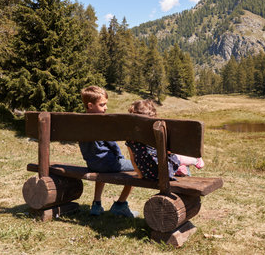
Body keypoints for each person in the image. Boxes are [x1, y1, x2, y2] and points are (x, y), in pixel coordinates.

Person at [79, 86, 138, 218]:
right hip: (110, 164)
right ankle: (120, 205)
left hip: (92, 164)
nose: (105, 108)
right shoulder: (102, 122)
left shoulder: (80, 122)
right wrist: (120, 158)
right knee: (138, 168)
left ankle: (96, 204)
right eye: (102, 105)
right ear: (90, 105)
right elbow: (113, 145)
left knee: (101, 170)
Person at [125, 99, 204, 180]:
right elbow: (169, 151)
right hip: (165, 172)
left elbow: (133, 158)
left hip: (148, 174)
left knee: (168, 158)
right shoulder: (155, 133)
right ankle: (196, 161)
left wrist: (140, 175)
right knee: (176, 156)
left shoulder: (130, 137)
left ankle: (179, 168)